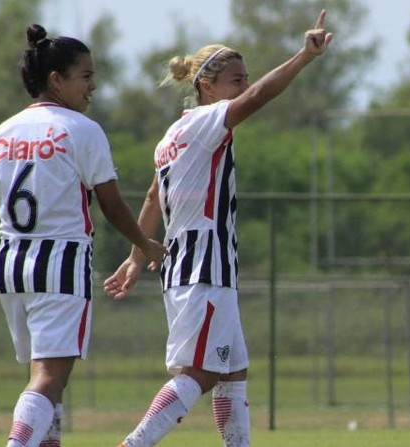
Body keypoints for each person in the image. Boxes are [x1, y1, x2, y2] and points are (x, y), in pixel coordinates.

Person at [0, 24, 166, 447]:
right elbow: (111, 206)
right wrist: (145, 245)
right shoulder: (83, 130)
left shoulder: (5, 131)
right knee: (49, 378)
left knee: (46, 379)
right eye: (85, 76)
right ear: (56, 79)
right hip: (61, 262)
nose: (93, 85)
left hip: (11, 263)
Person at [103, 8, 333, 447]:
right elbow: (262, 96)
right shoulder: (210, 121)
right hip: (205, 268)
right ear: (206, 86)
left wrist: (135, 257)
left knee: (233, 371)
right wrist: (303, 57)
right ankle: (134, 444)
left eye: (245, 78)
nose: (243, 87)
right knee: (202, 373)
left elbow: (153, 198)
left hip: (189, 268)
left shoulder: (172, 134)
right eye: (236, 79)